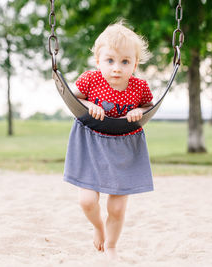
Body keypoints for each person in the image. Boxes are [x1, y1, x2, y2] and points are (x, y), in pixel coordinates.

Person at [63, 21, 154, 260]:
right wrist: (90, 104)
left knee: (116, 207)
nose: (117, 68)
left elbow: (148, 106)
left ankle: (112, 246)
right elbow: (75, 99)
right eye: (110, 61)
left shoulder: (139, 87)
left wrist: (139, 112)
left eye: (125, 61)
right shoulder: (90, 80)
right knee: (86, 201)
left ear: (135, 63)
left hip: (124, 144)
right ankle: (98, 227)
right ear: (98, 61)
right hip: (91, 143)